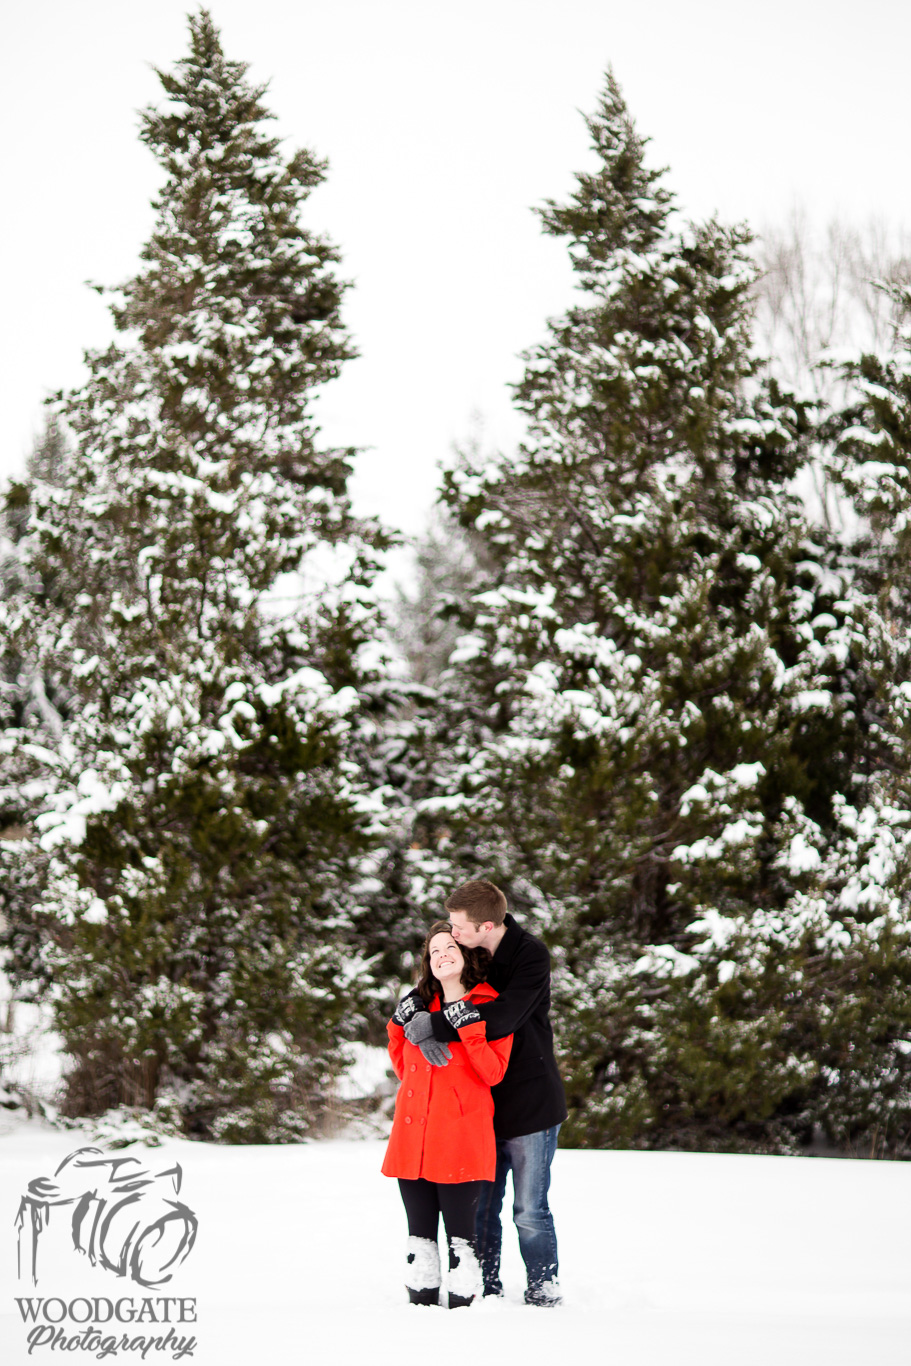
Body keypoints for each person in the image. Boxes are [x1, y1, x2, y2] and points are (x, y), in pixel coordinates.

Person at [403, 880, 566, 1307]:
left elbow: (504, 1016)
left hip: (528, 1099)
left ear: (486, 925)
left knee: (529, 1210)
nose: (451, 933)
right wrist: (411, 1012)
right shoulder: (472, 951)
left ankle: (543, 1287)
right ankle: (486, 1285)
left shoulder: (528, 954)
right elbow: (437, 979)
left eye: (458, 926)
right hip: (478, 1101)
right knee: (480, 1209)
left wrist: (435, 1027)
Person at [382, 920, 513, 1308]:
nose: (441, 956)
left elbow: (493, 1072)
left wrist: (467, 1028)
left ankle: (464, 1324)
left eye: (449, 948)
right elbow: (404, 1069)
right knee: (420, 1243)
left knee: (462, 1244)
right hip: (413, 1140)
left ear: (466, 954)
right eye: (434, 951)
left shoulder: (490, 1005)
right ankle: (420, 1307)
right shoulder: (421, 1008)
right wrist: (398, 1024)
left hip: (459, 1140)